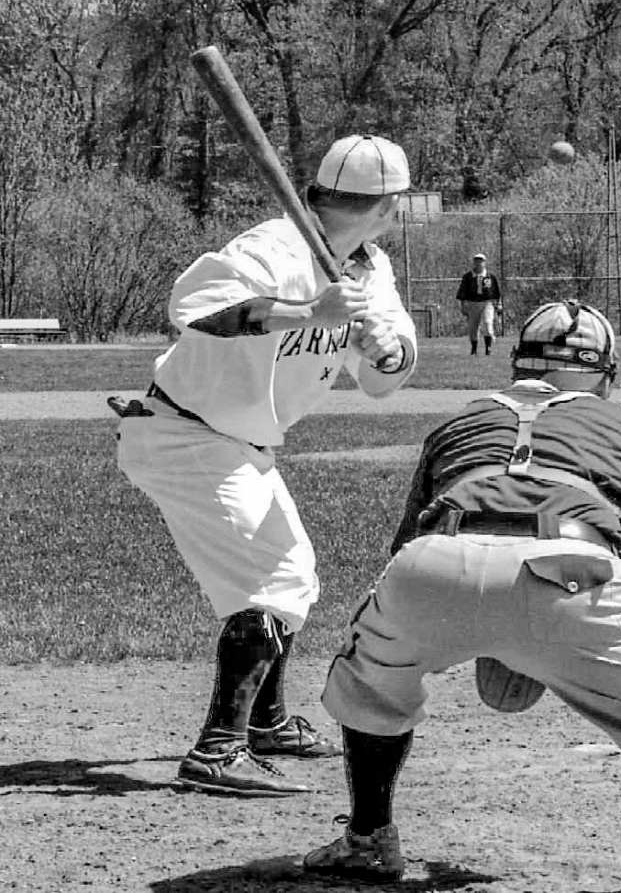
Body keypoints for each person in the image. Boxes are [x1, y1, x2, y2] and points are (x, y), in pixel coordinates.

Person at [302, 300, 621, 893]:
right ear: (605, 375)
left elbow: (405, 547)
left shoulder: (459, 422)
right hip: (574, 566)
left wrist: (480, 626)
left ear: (518, 366)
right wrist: (551, 638)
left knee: (369, 688)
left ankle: (367, 841)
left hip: (432, 563)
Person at [113, 134, 419, 796]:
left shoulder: (368, 268)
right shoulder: (271, 249)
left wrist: (384, 347)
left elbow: (383, 374)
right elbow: (191, 309)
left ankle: (266, 722)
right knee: (273, 583)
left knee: (294, 577)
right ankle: (217, 754)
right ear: (387, 204)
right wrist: (305, 311)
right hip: (184, 435)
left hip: (237, 442)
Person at [455, 252, 502, 355]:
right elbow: (462, 293)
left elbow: (496, 292)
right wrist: (463, 306)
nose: (478, 263)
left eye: (481, 261)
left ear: (484, 263)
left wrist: (499, 304)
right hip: (472, 303)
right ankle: (474, 349)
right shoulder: (468, 277)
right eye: (476, 261)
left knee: (487, 323)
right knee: (473, 327)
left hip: (487, 303)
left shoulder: (490, 276)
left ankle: (488, 348)